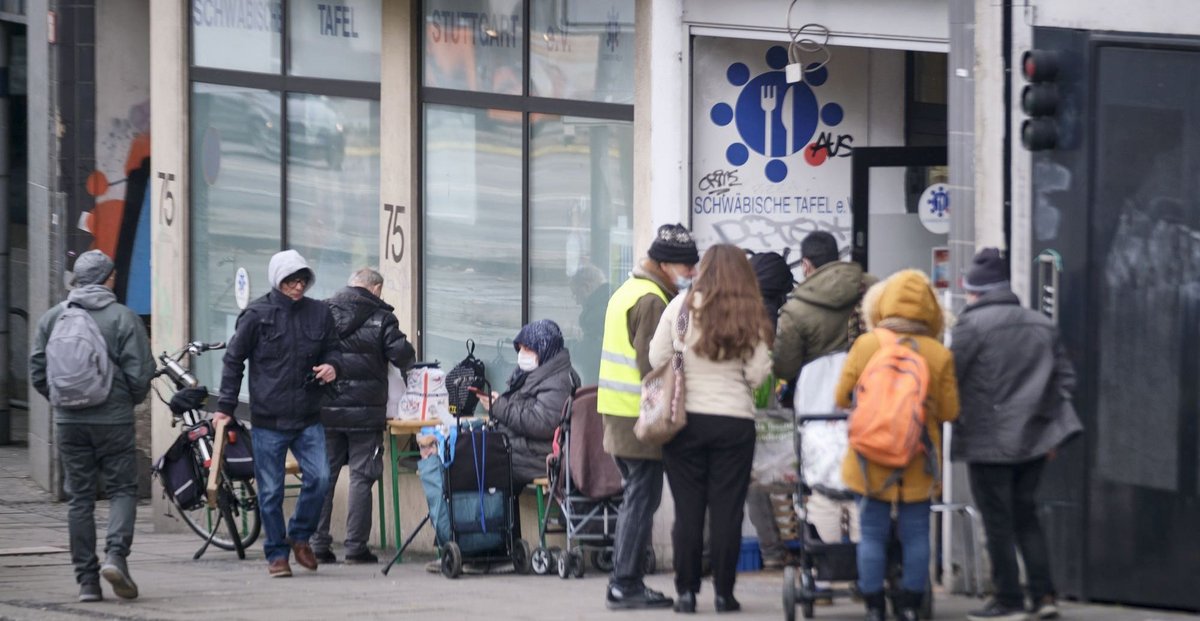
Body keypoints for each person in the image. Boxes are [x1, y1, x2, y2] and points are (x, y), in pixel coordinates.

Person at [951, 248, 1082, 621]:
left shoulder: (969, 327)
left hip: (987, 440)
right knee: (1027, 516)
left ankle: (1008, 599)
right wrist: (1050, 431)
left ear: (973, 291)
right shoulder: (1041, 324)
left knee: (997, 520)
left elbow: (950, 379)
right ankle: (1043, 597)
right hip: (1036, 441)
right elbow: (1065, 380)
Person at [651, 244, 773, 614]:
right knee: (727, 511)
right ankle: (724, 593)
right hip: (734, 423)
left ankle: (686, 593)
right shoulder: (750, 314)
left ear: (702, 270)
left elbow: (657, 358)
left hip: (684, 422)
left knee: (688, 510)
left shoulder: (681, 307)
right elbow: (757, 375)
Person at [29, 250, 154, 602]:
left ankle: (87, 582)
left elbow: (38, 372)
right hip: (112, 419)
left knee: (80, 498)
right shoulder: (123, 318)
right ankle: (116, 556)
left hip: (69, 422)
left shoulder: (53, 318)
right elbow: (139, 374)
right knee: (123, 490)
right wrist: (124, 400)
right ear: (109, 278)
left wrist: (64, 402)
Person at [834, 270, 959, 621]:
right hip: (918, 459)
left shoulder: (868, 344)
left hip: (868, 458)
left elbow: (841, 396)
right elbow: (950, 411)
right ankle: (908, 606)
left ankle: (874, 606)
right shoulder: (939, 354)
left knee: (871, 533)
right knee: (916, 535)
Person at [214, 250, 341, 578]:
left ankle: (299, 536)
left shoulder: (319, 313)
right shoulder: (257, 315)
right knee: (270, 491)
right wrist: (225, 407)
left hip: (308, 416)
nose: (297, 287)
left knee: (321, 478)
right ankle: (276, 555)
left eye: (301, 280)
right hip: (269, 419)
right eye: (289, 281)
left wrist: (333, 366)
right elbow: (233, 361)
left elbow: (334, 349)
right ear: (276, 281)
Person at [598, 223, 698, 610]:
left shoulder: (628, 290)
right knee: (641, 498)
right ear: (663, 263)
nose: (689, 272)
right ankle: (625, 583)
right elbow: (652, 367)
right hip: (636, 417)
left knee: (637, 497)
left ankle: (624, 580)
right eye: (684, 265)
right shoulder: (653, 300)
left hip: (618, 413)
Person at [773, 233, 875, 568]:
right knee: (866, 476)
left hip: (816, 409)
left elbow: (785, 365)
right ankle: (868, 565)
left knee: (818, 478)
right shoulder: (871, 291)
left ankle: (823, 563)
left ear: (806, 264)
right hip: (868, 404)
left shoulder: (797, 308)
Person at [311, 268, 415, 566]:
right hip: (366, 414)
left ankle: (318, 544)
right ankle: (355, 547)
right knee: (361, 476)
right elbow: (403, 355)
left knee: (325, 477)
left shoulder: (322, 312)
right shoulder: (382, 317)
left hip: (327, 410)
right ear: (376, 288)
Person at [478, 319, 580, 486]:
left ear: (545, 348)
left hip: (539, 457)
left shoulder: (559, 380)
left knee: (475, 461)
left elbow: (541, 423)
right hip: (524, 449)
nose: (522, 354)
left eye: (528, 348)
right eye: (520, 349)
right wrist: (498, 404)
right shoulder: (531, 373)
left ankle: (489, 512)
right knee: (470, 453)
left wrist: (499, 406)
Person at [745, 250, 795, 569]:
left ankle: (705, 554)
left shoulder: (736, 308)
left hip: (733, 403)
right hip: (762, 403)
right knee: (758, 480)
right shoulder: (773, 313)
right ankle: (774, 550)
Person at [570, 264, 609, 385]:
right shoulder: (610, 299)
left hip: (598, 382)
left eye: (576, 294)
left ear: (586, 287)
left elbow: (590, 353)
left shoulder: (596, 313)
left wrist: (570, 347)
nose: (576, 301)